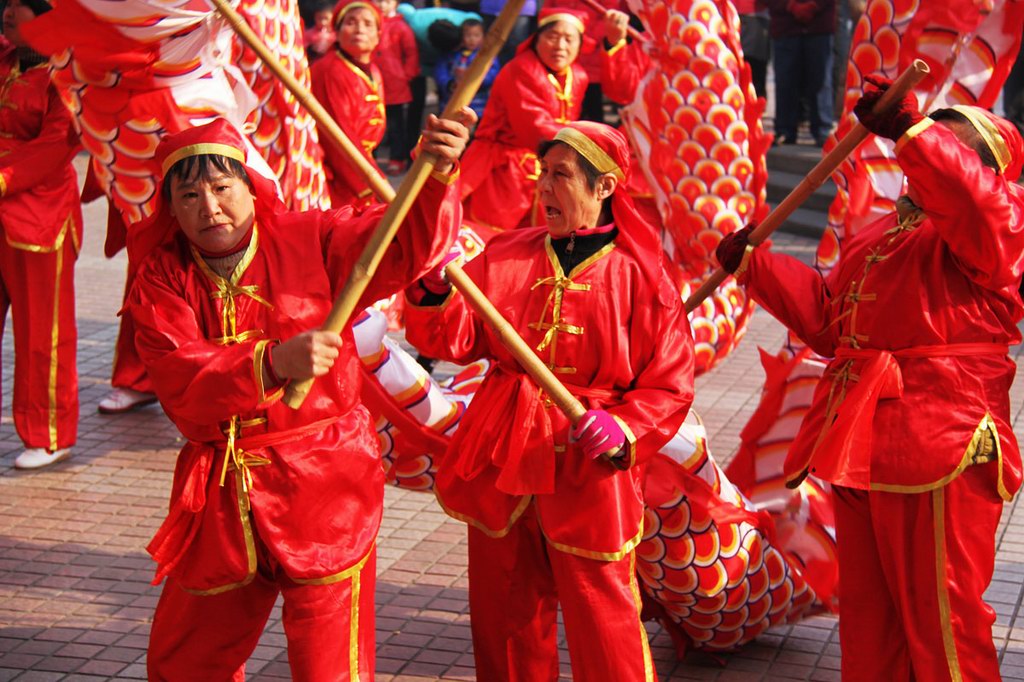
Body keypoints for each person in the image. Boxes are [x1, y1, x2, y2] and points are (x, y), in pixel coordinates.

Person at [131, 112, 470, 680]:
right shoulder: (162, 277)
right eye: (189, 195)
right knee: (185, 658)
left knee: (330, 664)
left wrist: (434, 176)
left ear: (249, 186)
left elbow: (401, 245)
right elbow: (178, 377)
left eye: (221, 188)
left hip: (325, 484)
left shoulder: (311, 237)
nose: (208, 208)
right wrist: (270, 362)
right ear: (170, 205)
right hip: (220, 492)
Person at [715, 78, 1024, 680]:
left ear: (982, 171)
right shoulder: (883, 234)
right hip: (864, 437)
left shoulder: (999, 227)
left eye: (943, 144)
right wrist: (757, 268)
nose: (923, 149)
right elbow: (834, 324)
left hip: (944, 437)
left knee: (945, 616)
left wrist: (911, 130)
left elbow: (971, 201)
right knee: (867, 615)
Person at [405, 121, 695, 680]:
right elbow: (455, 339)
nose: (543, 188)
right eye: (543, 174)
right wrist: (435, 293)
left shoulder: (641, 271)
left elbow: (671, 382)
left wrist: (626, 427)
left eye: (560, 175)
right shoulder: (506, 253)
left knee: (602, 608)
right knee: (505, 608)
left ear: (605, 186)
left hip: (591, 461)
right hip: (504, 449)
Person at [0, 0, 82, 470]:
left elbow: (55, 147)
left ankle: (49, 434)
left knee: (41, 334)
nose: (10, 13)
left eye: (21, 6)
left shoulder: (67, 74)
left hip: (39, 215)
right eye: (7, 4)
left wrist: (5, 180)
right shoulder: (8, 59)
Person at [460, 7, 590, 233]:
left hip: (547, 168)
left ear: (580, 45)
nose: (560, 46)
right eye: (552, 36)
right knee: (492, 241)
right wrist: (588, 142)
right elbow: (533, 130)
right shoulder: (521, 69)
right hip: (503, 169)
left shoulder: (578, 75)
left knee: (540, 244)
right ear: (536, 39)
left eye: (569, 39)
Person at [310, 0, 386, 209]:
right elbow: (338, 136)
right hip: (342, 173)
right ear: (338, 30)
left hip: (361, 163)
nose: (360, 29)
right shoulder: (329, 71)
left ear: (378, 34)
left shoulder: (374, 70)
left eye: (368, 24)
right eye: (351, 22)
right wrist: (374, 182)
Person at [766, 0, 835, 145]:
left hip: (819, 25)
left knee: (820, 80)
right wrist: (789, 5)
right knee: (785, 81)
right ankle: (785, 130)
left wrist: (815, 5)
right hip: (785, 25)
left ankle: (822, 130)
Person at [374, 0, 419, 175]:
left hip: (395, 83)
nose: (382, 4)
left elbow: (411, 53)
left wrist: (406, 75)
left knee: (395, 124)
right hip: (374, 81)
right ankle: (371, 158)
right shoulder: (371, 22)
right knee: (371, 123)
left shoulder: (401, 27)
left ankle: (397, 158)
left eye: (386, 1)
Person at [434, 18, 499, 118]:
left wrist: (474, 79)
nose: (472, 39)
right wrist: (449, 83)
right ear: (461, 37)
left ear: (484, 37)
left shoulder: (486, 56)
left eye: (476, 35)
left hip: (478, 104)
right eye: (468, 35)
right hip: (451, 102)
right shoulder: (451, 53)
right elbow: (440, 71)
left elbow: (492, 73)